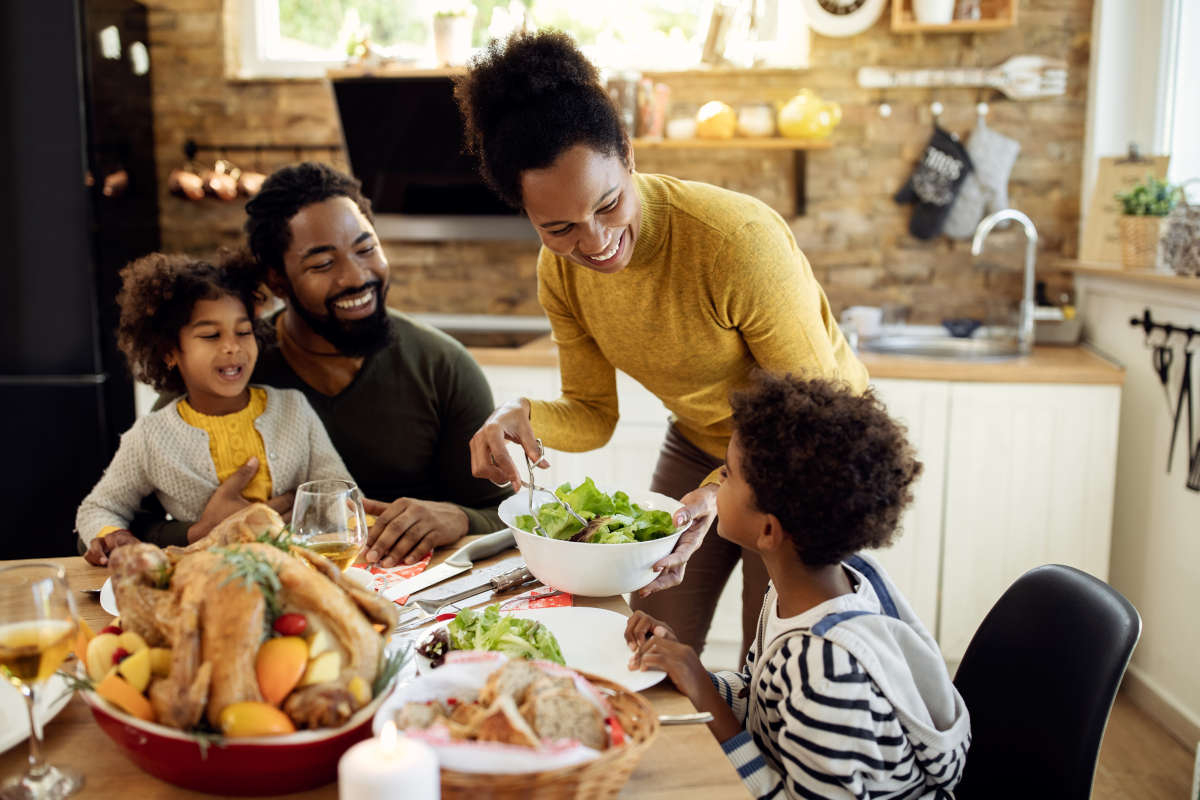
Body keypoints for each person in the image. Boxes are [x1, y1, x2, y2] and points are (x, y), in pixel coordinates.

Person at [459, 30, 869, 658]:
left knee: (780, 657)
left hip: (805, 455)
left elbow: (812, 415)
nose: (594, 242)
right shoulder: (560, 271)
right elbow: (595, 415)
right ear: (526, 213)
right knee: (650, 636)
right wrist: (519, 417)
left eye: (608, 204)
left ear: (627, 153)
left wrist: (724, 487)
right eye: (559, 227)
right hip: (702, 439)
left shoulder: (734, 243)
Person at [134, 164, 511, 567]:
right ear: (278, 281)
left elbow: (505, 517)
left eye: (366, 249)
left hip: (420, 609)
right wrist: (199, 530)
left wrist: (459, 517)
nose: (356, 276)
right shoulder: (229, 364)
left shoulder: (443, 367)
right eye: (322, 264)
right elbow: (123, 521)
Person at [624, 374, 970, 799]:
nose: (715, 485)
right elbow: (762, 699)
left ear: (768, 531)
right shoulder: (805, 593)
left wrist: (702, 689)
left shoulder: (826, 671)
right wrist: (689, 668)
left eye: (728, 476)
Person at [77, 252, 352, 566]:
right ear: (169, 352)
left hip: (297, 569)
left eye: (244, 331)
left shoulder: (293, 409)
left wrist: (307, 514)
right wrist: (114, 535)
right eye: (210, 335)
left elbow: (340, 496)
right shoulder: (150, 438)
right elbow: (98, 507)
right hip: (206, 579)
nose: (232, 346)